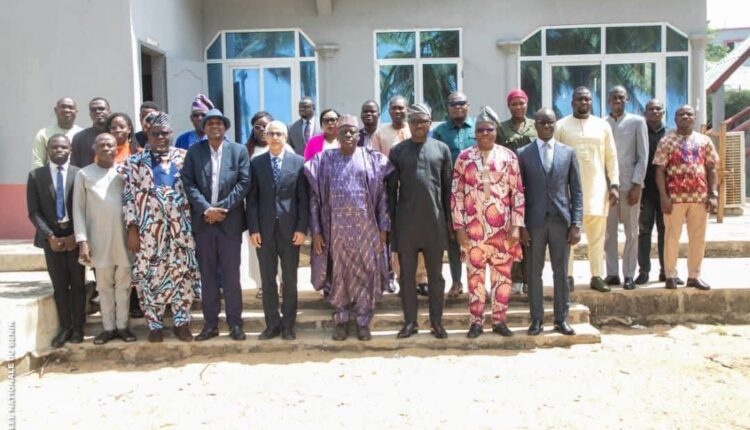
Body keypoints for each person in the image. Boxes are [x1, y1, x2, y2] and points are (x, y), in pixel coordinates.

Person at [305, 114, 392, 341]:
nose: (348, 135)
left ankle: (363, 321)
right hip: (335, 231)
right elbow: (314, 198)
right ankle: (341, 320)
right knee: (339, 275)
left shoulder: (372, 159)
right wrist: (316, 231)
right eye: (344, 131)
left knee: (366, 272)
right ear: (337, 134)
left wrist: (383, 228)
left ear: (358, 135)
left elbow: (382, 197)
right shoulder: (324, 160)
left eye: (353, 131)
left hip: (366, 230)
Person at [120, 113, 201, 343]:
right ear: (148, 135)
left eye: (165, 133)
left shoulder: (184, 157)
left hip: (180, 230)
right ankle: (154, 325)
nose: (160, 138)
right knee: (149, 276)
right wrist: (132, 228)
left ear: (171, 134)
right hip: (148, 232)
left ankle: (181, 323)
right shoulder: (134, 162)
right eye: (155, 134)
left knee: (181, 274)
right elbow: (128, 197)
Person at [451, 106, 525, 338]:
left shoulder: (508, 157)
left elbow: (518, 193)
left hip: (502, 231)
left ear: (496, 131)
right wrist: (459, 228)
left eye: (489, 129)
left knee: (502, 277)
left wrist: (516, 226)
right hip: (473, 231)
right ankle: (476, 322)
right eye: (480, 130)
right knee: (475, 278)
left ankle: (499, 321)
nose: (484, 133)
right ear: (475, 133)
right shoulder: (464, 158)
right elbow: (456, 194)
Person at [182, 109, 251, 341]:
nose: (214, 126)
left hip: (229, 223)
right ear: (203, 128)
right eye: (209, 123)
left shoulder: (238, 151)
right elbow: (188, 182)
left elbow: (244, 182)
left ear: (225, 127)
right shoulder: (194, 152)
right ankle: (210, 325)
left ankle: (235, 324)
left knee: (231, 276)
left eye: (219, 123)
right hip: (204, 224)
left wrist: (222, 209)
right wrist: (206, 209)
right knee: (208, 276)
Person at [388, 104, 452, 339]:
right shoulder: (398, 151)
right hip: (406, 224)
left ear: (430, 123)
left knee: (436, 276)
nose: (418, 126)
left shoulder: (442, 149)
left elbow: (448, 190)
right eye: (414, 121)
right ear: (409, 123)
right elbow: (390, 191)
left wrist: (449, 223)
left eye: (423, 121)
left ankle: (437, 322)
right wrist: (392, 224)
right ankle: (410, 322)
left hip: (434, 223)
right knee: (407, 277)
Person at [518, 108, 583, 336]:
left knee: (561, 273)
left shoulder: (568, 153)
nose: (547, 126)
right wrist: (520, 225)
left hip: (560, 222)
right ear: (535, 125)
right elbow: (518, 193)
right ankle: (536, 320)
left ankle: (561, 319)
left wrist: (576, 224)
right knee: (534, 273)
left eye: (550, 122)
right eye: (542, 122)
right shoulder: (523, 154)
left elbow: (576, 191)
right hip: (533, 223)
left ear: (556, 124)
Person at [247, 121, 308, 341]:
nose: (274, 137)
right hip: (264, 232)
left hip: (290, 231)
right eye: (271, 133)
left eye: (279, 134)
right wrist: (253, 229)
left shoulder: (298, 162)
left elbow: (303, 199)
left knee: (290, 280)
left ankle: (288, 325)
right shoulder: (256, 163)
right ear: (265, 136)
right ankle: (272, 325)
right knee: (267, 280)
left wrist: (301, 228)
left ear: (285, 137)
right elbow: (252, 200)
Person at [554, 86, 619, 293]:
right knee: (568, 235)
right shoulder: (561, 126)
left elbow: (611, 157)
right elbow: (554, 158)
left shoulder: (602, 126)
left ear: (592, 102)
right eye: (579, 99)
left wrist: (614, 184)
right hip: (568, 191)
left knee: (597, 236)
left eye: (587, 99)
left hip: (597, 189)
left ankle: (596, 275)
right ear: (572, 102)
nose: (583, 103)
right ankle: (568, 275)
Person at [73, 133, 135, 344]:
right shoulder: (84, 174)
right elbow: (78, 210)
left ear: (117, 148)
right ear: (95, 148)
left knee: (124, 285)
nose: (107, 148)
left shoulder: (124, 172)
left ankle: (123, 326)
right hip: (98, 240)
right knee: (104, 287)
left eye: (110, 145)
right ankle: (108, 328)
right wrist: (82, 240)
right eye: (102, 145)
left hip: (123, 239)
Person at [27, 134, 86, 347]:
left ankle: (78, 327)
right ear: (48, 150)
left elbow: (85, 207)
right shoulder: (36, 176)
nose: (59, 150)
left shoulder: (79, 174)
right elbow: (33, 211)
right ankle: (65, 327)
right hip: (50, 239)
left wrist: (76, 236)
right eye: (54, 147)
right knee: (60, 286)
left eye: (63, 147)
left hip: (74, 237)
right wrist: (49, 236)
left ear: (70, 150)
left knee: (78, 284)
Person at [654, 105, 718, 291]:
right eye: (681, 114)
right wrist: (663, 197)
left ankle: (694, 276)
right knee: (671, 237)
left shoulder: (704, 140)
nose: (685, 117)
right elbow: (659, 170)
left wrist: (713, 194)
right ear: (675, 119)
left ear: (694, 118)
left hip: (700, 198)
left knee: (698, 238)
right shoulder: (666, 141)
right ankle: (670, 275)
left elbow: (712, 168)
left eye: (689, 114)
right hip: (674, 198)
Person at [371, 95, 428, 293]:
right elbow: (376, 163)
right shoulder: (380, 133)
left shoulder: (415, 129)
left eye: (401, 108)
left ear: (407, 110)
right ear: (389, 111)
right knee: (400, 236)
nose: (398, 111)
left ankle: (421, 278)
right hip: (392, 191)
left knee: (420, 233)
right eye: (394, 108)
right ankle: (401, 277)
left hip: (417, 192)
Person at [603, 86, 649, 290]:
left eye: (621, 97)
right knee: (609, 232)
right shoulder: (602, 123)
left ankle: (629, 274)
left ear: (627, 99)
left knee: (631, 232)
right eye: (614, 97)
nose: (617, 101)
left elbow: (643, 157)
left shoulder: (637, 122)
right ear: (608, 100)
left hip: (630, 185)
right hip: (607, 187)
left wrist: (638, 184)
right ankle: (612, 273)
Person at [431, 91, 475, 299]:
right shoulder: (440, 131)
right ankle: (456, 281)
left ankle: (475, 280)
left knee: (476, 236)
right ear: (447, 107)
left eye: (461, 103)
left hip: (477, 191)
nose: (458, 107)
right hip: (450, 190)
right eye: (453, 104)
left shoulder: (478, 127)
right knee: (453, 237)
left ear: (468, 105)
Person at [636, 99, 684, 285]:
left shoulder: (672, 134)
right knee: (644, 230)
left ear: (664, 112)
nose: (655, 112)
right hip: (645, 190)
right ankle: (644, 271)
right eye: (651, 109)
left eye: (659, 109)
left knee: (666, 231)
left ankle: (667, 271)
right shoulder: (640, 132)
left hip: (667, 191)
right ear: (645, 112)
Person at [496, 89, 537, 294]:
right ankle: (515, 279)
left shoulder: (535, 126)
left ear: (527, 104)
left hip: (533, 183)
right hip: (510, 185)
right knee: (513, 231)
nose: (518, 107)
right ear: (509, 106)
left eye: (522, 103)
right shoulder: (501, 129)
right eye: (514, 104)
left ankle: (529, 278)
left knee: (530, 232)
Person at [32, 97, 82, 169]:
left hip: (77, 175)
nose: (67, 110)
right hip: (50, 175)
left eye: (70, 107)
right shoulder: (43, 134)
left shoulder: (82, 135)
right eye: (63, 107)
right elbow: (38, 161)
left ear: (76, 112)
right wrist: (41, 176)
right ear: (56, 110)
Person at [70, 97, 111, 168]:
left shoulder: (116, 135)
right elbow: (74, 166)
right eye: (93, 110)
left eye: (101, 109)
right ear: (90, 114)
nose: (97, 112)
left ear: (109, 112)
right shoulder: (79, 138)